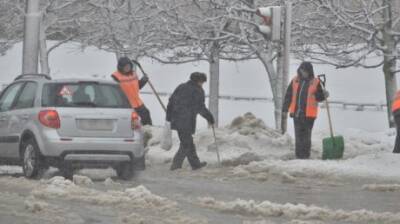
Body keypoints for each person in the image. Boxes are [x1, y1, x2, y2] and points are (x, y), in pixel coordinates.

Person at [166, 72, 215, 171]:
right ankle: (176, 164)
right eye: (202, 82)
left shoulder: (181, 87)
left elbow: (171, 102)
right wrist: (210, 118)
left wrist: (169, 117)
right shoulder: (198, 91)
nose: (202, 84)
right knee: (186, 144)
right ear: (199, 81)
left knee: (188, 142)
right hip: (186, 120)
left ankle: (195, 164)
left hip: (177, 119)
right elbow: (200, 107)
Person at [282, 62, 328, 159]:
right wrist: (285, 108)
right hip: (297, 113)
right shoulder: (295, 80)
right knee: (298, 136)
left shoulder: (315, 82)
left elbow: (319, 98)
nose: (303, 73)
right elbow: (288, 95)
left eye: (305, 71)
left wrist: (323, 94)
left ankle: (305, 156)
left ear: (309, 71)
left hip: (309, 115)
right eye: (302, 70)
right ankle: (298, 156)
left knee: (306, 137)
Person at [112, 57, 152, 125]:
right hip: (126, 103)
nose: (128, 67)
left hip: (137, 101)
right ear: (121, 67)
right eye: (125, 66)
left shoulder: (133, 74)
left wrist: (143, 80)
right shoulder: (116, 77)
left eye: (129, 66)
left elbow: (137, 87)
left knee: (146, 114)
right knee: (132, 120)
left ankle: (147, 130)